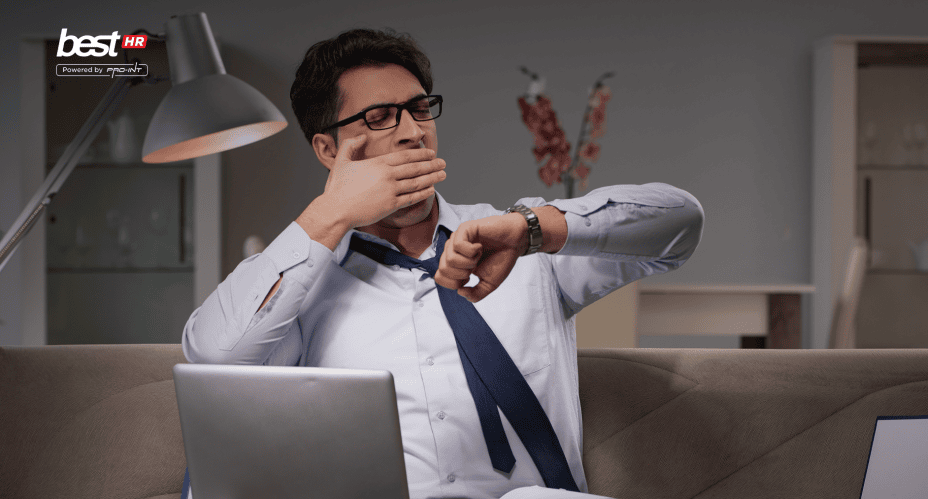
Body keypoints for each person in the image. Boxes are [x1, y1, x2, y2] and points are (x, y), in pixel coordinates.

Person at [182, 28, 704, 499]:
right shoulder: (300, 284)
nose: (413, 132)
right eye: (380, 117)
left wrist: (532, 229)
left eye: (419, 109)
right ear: (328, 149)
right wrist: (333, 211)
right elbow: (214, 353)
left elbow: (679, 224)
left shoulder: (519, 244)